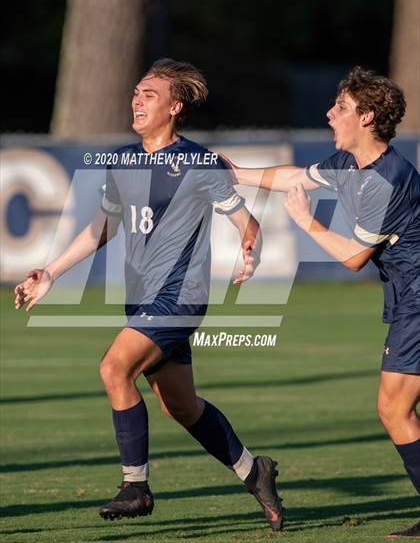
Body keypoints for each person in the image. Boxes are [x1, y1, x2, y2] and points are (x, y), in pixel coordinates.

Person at [14, 59, 284, 532]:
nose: (137, 100)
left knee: (113, 367)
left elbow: (246, 221)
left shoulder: (197, 163)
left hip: (179, 296)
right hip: (140, 298)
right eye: (136, 92)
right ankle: (252, 470)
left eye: (150, 95)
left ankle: (134, 486)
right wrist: (52, 271)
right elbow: (104, 225)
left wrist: (249, 248)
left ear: (175, 107)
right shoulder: (121, 160)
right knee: (180, 405)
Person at [223, 66, 420, 538]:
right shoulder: (352, 165)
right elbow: (294, 175)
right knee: (397, 408)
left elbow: (353, 257)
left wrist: (304, 222)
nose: (330, 114)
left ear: (368, 117)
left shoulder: (385, 179)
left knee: (394, 409)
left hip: (418, 302)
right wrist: (233, 172)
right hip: (409, 299)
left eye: (341, 108)